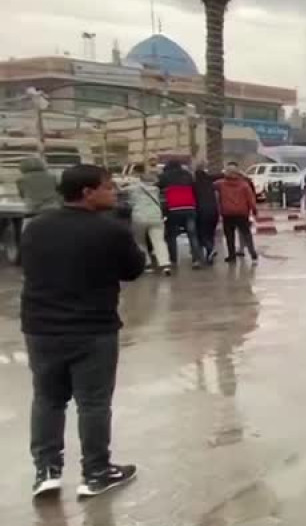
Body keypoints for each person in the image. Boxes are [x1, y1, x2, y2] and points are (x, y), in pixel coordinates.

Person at [20, 164, 145, 499]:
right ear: (88, 192)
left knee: (48, 399)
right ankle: (96, 473)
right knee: (93, 403)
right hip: (92, 330)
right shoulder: (110, 230)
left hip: (41, 329)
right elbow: (134, 270)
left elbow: (26, 265)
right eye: (108, 187)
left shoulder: (34, 227)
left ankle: (46, 471)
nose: (114, 192)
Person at [122, 172, 170, 275]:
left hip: (139, 217)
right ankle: (165, 265)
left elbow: (121, 191)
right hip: (156, 216)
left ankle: (147, 264)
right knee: (159, 241)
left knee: (140, 242)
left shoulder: (133, 188)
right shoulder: (156, 190)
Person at [157, 160, 202, 268]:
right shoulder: (187, 175)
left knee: (172, 235)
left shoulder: (164, 176)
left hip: (174, 208)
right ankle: (196, 260)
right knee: (192, 234)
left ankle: (173, 260)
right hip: (189, 207)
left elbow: (157, 188)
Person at [215, 163, 259, 264]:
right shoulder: (244, 185)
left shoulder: (220, 184)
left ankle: (231, 255)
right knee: (246, 234)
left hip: (227, 213)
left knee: (229, 236)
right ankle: (253, 254)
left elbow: (210, 185)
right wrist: (255, 211)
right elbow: (250, 200)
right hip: (241, 213)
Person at [193, 162, 221, 264]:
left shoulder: (194, 185)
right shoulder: (210, 181)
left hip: (202, 211)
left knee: (201, 235)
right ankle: (210, 257)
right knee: (210, 234)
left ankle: (210, 249)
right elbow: (221, 175)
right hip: (214, 211)